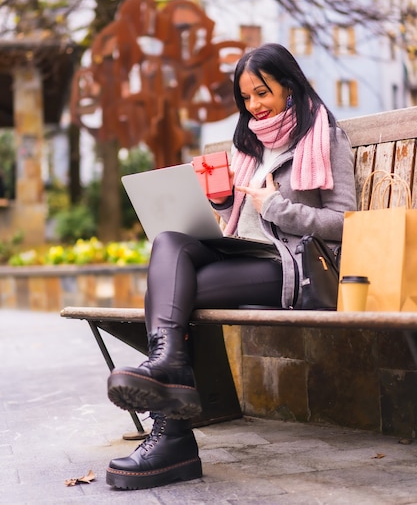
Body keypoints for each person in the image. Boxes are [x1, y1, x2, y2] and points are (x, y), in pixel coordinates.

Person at [105, 43, 357, 490]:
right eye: (246, 99)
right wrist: (222, 203)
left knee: (175, 293)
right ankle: (169, 373)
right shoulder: (248, 145)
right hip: (245, 252)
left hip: (295, 266)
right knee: (169, 242)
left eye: (263, 92)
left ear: (291, 86)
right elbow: (240, 220)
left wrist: (278, 207)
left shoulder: (325, 137)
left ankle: (172, 429)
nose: (255, 107)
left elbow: (344, 224)